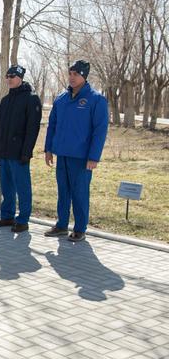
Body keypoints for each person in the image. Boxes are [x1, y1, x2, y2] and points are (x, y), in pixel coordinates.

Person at [44, 60, 109, 242]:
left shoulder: (96, 99)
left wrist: (94, 156)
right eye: (70, 73)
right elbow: (52, 126)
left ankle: (80, 228)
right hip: (62, 154)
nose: (72, 77)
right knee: (63, 191)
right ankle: (61, 225)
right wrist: (49, 149)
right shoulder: (61, 99)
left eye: (76, 74)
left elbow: (100, 130)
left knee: (79, 193)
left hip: (82, 157)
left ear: (84, 76)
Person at [0, 65, 42, 233]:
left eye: (12, 76)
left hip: (19, 153)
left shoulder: (31, 98)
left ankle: (23, 220)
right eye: (7, 76)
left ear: (20, 77)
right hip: (4, 152)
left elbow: (32, 129)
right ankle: (7, 216)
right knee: (6, 187)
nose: (9, 79)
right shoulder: (5, 100)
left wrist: (27, 151)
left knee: (22, 188)